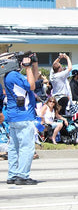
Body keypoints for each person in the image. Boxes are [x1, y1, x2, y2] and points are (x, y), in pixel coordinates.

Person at [4, 54, 39, 185]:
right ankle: (22, 175)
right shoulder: (14, 75)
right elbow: (31, 86)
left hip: (15, 117)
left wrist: (33, 65)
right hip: (24, 116)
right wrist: (28, 67)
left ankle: (13, 174)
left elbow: (32, 81)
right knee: (26, 147)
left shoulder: (10, 76)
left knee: (14, 147)